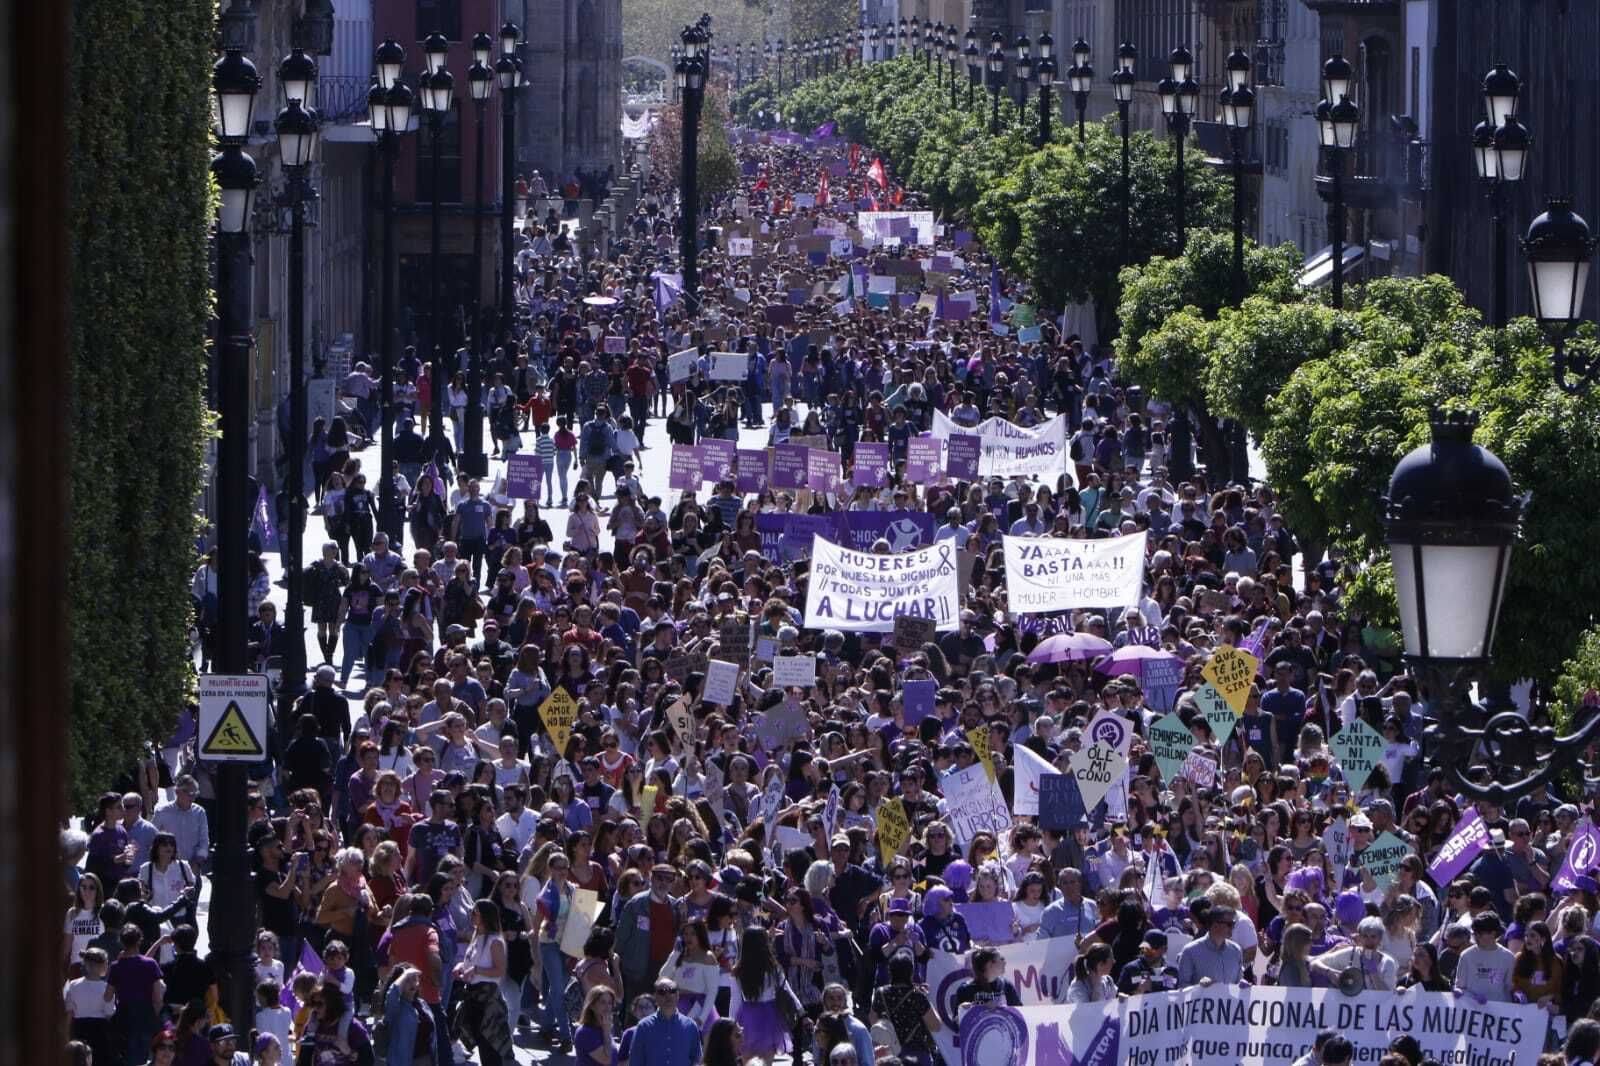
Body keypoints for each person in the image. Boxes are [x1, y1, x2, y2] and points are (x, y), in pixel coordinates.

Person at [628, 978, 703, 1066]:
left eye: (672, 991)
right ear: (655, 997)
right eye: (662, 992)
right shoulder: (643, 1026)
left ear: (677, 995)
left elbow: (697, 1060)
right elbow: (635, 1061)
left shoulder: (691, 1026)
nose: (668, 995)